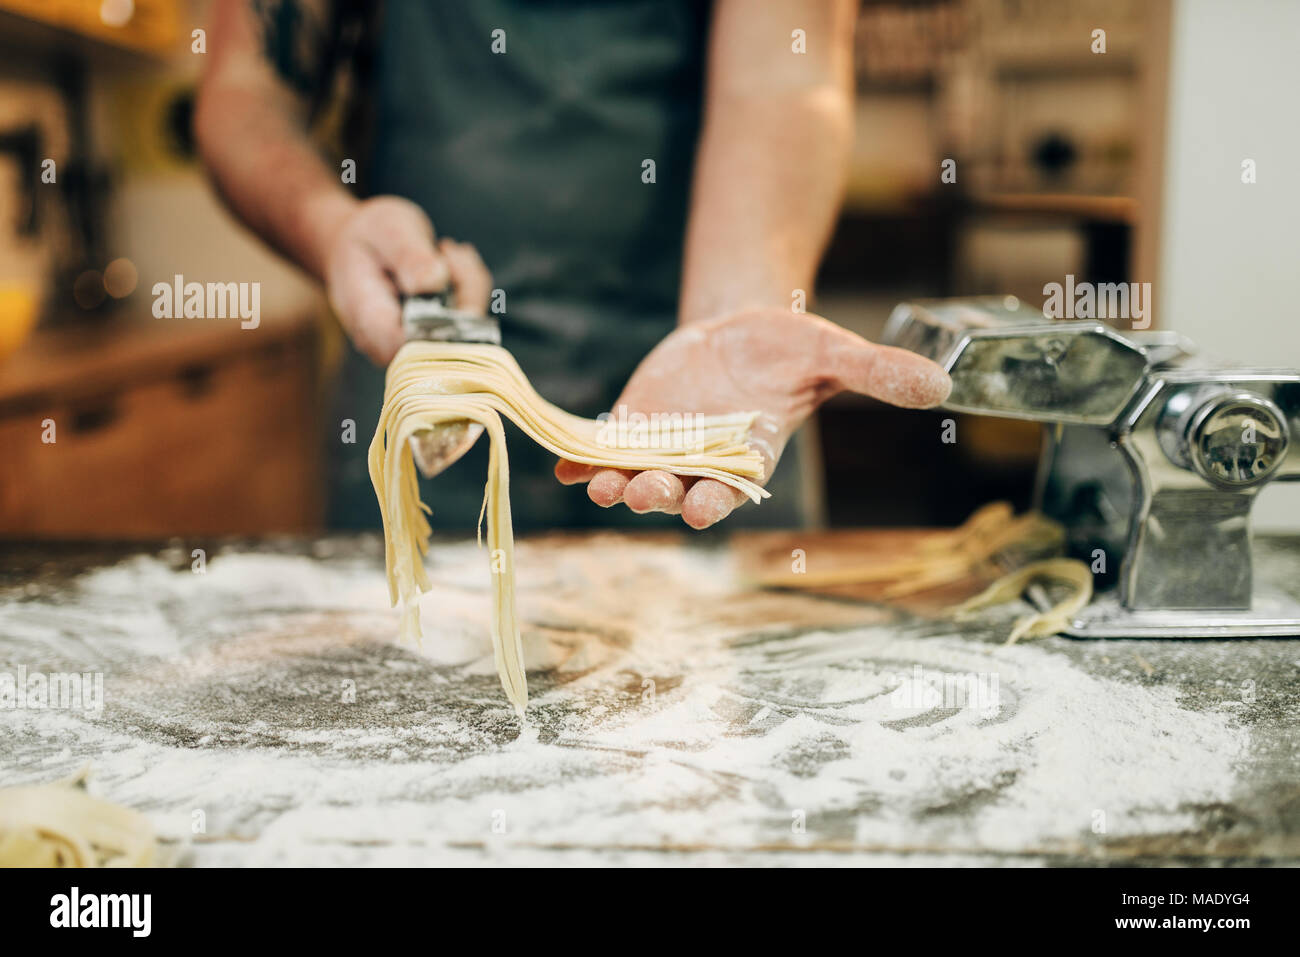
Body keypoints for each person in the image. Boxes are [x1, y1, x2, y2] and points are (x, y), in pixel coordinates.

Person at [195, 0, 951, 533]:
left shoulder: (709, 400)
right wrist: (336, 233)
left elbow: (786, 72)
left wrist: (729, 319)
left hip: (696, 408)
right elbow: (244, 88)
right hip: (430, 396)